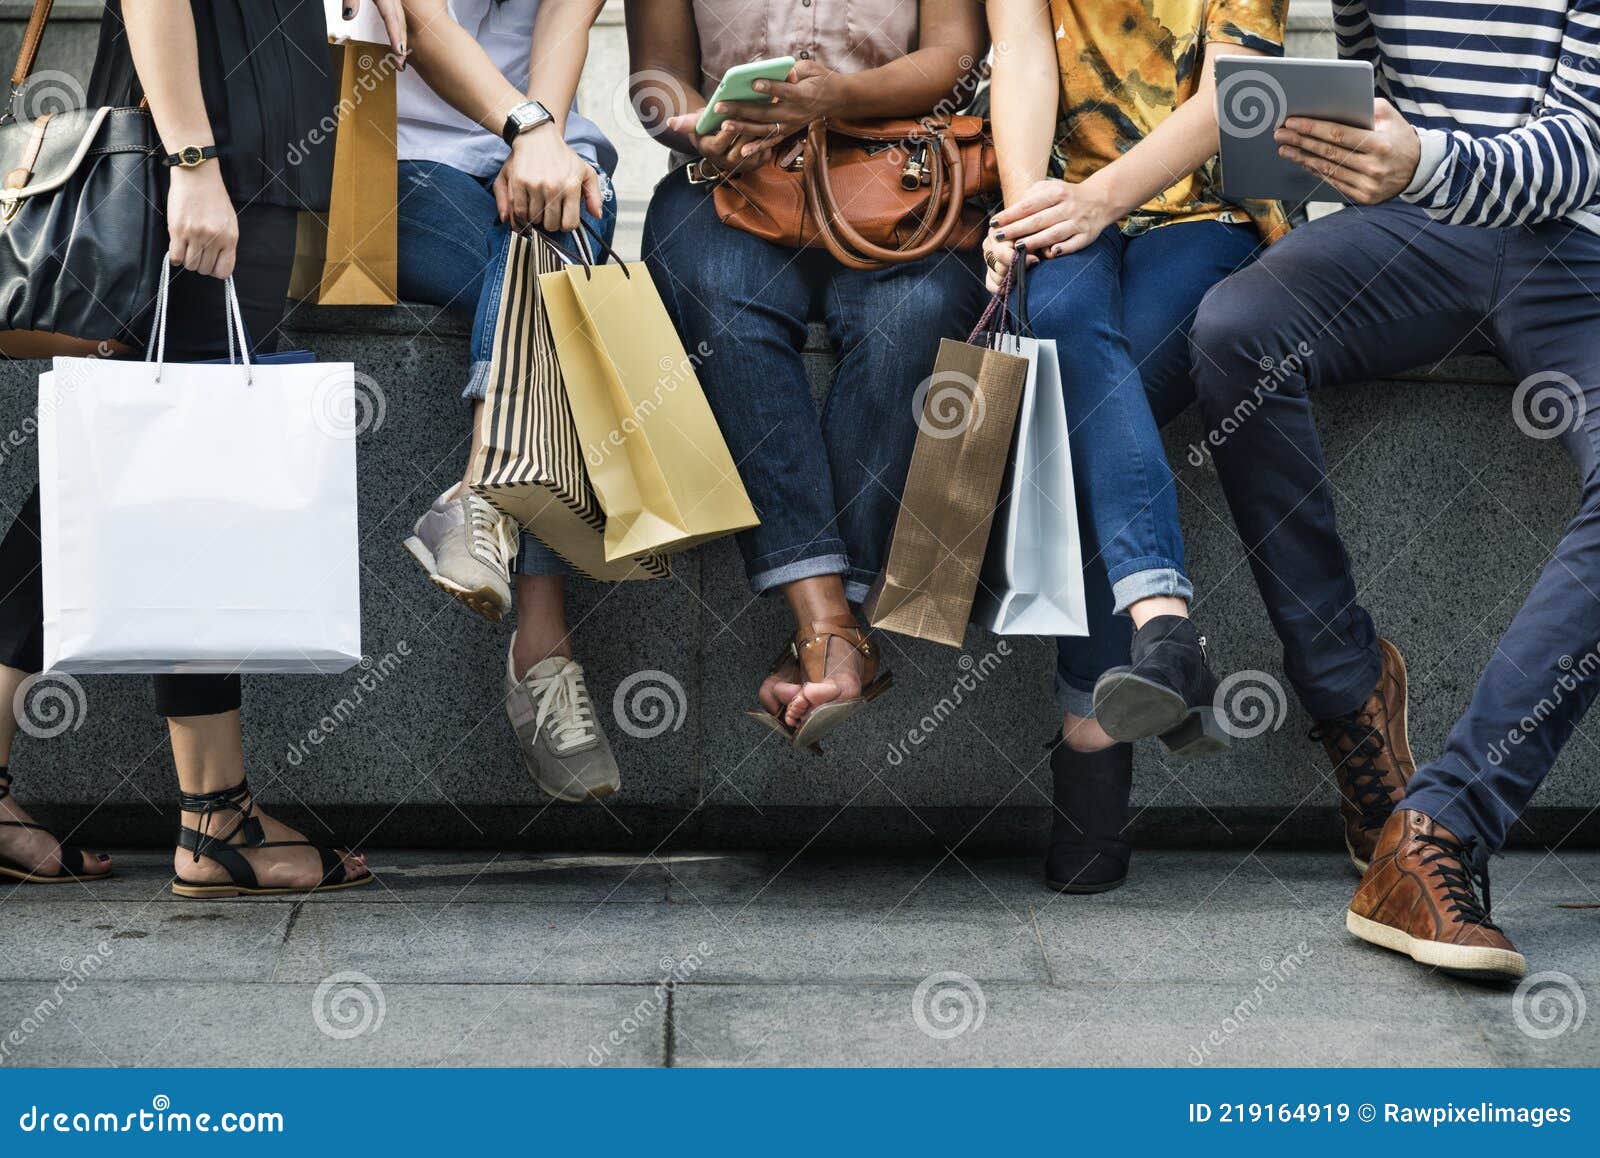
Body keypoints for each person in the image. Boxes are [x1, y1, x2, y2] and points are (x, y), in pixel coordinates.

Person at [1188, 0, 1600, 980]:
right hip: (1420, 230)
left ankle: (1438, 835)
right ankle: (1348, 694)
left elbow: (1584, 146)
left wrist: (1421, 167)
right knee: (1232, 330)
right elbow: (1343, 88)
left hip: (1580, 243)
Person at [0, 0, 405, 893]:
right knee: (172, 475)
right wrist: (191, 159)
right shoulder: (197, 157)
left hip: (238, 152)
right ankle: (215, 821)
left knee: (132, 478)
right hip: (203, 150)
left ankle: (215, 818)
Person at [982, 0, 1287, 893]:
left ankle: (1091, 747)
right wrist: (1022, 212)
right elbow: (1021, 53)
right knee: (1070, 323)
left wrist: (1098, 197)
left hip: (1207, 215)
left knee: (1092, 395)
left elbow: (1242, 89)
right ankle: (1167, 633)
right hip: (1065, 210)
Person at [626, 0, 989, 750]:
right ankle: (831, 628)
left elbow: (956, 59)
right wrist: (700, 127)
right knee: (724, 312)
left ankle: (825, 631)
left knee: (912, 322)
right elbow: (655, 77)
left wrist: (839, 96)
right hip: (729, 182)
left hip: (901, 177)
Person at [395, 0, 623, 803]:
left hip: (541, 142)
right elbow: (423, 26)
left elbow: (566, 13)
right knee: (554, 293)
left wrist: (545, 144)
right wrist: (525, 130)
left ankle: (482, 501)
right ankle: (542, 647)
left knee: (553, 231)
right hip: (390, 155)